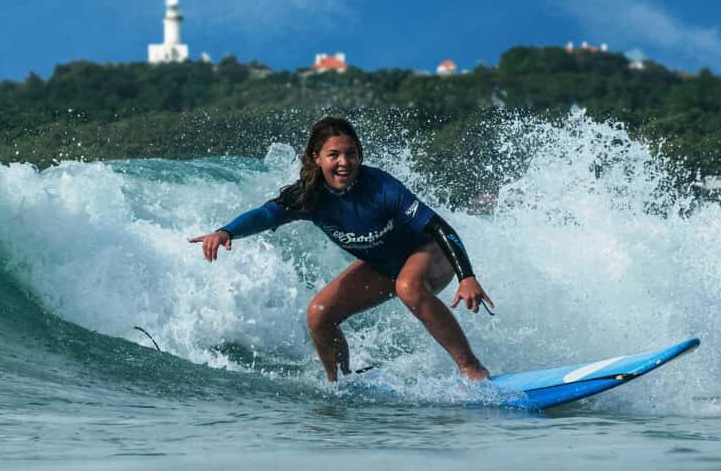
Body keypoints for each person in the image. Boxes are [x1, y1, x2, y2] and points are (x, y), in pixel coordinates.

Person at [189, 116, 493, 382]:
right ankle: (342, 383)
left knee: (408, 286)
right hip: (384, 266)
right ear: (316, 158)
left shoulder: (381, 187)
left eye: (351, 153)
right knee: (319, 314)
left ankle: (471, 368)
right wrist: (226, 231)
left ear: (359, 156)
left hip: (430, 253)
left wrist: (467, 277)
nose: (344, 162)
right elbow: (266, 215)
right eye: (333, 154)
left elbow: (440, 228)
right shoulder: (309, 197)